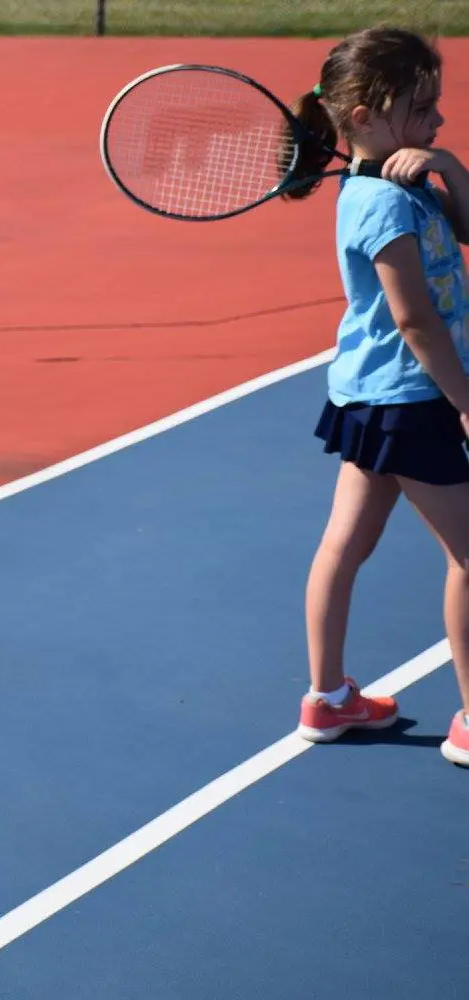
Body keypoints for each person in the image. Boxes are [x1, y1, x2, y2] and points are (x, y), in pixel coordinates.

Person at [283, 26, 469, 766]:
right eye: (422, 109)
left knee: (345, 545)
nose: (437, 121)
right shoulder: (383, 206)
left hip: (371, 398)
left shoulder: (403, 181)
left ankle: (327, 701)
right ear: (364, 117)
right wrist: (464, 399)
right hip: (411, 400)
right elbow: (413, 318)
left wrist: (449, 165)